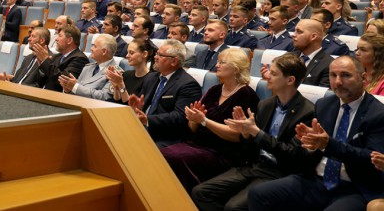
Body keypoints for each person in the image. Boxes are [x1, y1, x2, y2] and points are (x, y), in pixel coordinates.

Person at [247, 56, 384, 211]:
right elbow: (310, 152)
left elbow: (372, 159)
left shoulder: (378, 113)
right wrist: (310, 145)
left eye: (346, 75)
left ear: (364, 78)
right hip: (315, 180)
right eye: (333, 75)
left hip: (352, 187)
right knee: (259, 194)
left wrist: (328, 144)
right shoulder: (324, 105)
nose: (338, 82)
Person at [192, 53, 315, 211]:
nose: (267, 76)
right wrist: (245, 133)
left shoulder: (307, 112)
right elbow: (250, 144)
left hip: (280, 171)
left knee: (233, 207)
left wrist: (256, 133)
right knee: (201, 192)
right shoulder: (265, 104)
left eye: (273, 73)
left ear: (290, 80)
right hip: (254, 164)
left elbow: (293, 154)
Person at [161, 48, 259, 192]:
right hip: (197, 144)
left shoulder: (246, 94)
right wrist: (193, 119)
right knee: (161, 153)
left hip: (223, 152)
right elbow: (193, 128)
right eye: (218, 61)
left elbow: (236, 135)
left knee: (170, 156)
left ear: (236, 68)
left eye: (222, 62)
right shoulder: (214, 90)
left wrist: (204, 121)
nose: (217, 65)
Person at [129, 40, 202, 148]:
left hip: (167, 136)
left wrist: (148, 119)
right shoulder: (151, 77)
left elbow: (180, 117)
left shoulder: (188, 85)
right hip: (142, 128)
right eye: (156, 53)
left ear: (174, 61)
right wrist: (138, 108)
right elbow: (142, 105)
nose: (155, 57)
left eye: (160, 55)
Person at [58, 34, 118, 101]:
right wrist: (68, 90)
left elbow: (104, 97)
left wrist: (75, 86)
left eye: (94, 46)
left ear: (104, 51)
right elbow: (77, 92)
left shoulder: (116, 73)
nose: (91, 48)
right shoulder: (87, 68)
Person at [34, 25, 89, 92]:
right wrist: (42, 64)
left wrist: (45, 60)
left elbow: (62, 80)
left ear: (69, 40)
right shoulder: (56, 56)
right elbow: (40, 82)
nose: (56, 39)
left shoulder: (80, 59)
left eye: (60, 36)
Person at [107, 39, 156, 104]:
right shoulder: (126, 74)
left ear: (144, 54)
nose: (127, 56)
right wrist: (116, 86)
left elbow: (132, 106)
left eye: (131, 53)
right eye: (127, 52)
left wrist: (121, 85)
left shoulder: (151, 79)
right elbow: (117, 100)